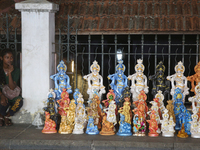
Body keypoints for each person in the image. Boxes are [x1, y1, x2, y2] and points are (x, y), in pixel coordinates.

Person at [0, 48, 23, 126]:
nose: (10, 59)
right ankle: (0, 116)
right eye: (7, 57)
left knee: (19, 101)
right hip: (1, 94)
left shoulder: (16, 70)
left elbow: (12, 88)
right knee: (3, 102)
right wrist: (2, 95)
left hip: (12, 95)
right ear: (1, 58)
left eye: (11, 57)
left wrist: (9, 73)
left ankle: (7, 116)